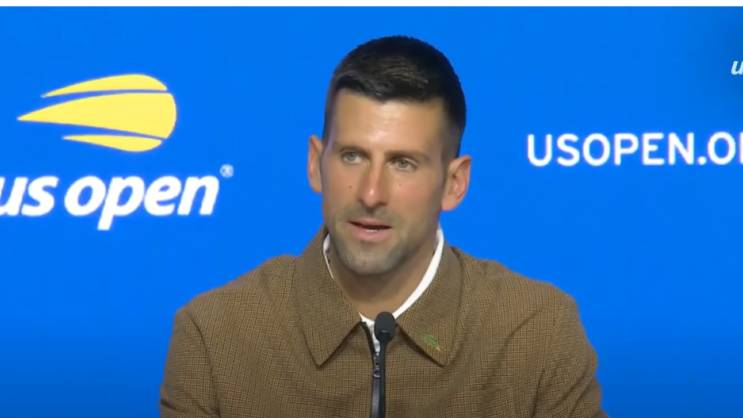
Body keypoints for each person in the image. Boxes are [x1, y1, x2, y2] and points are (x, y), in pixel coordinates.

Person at [160, 35, 606, 418]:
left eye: (403, 163)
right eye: (353, 156)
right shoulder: (215, 337)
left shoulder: (536, 334)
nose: (371, 193)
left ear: (454, 184)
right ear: (316, 164)